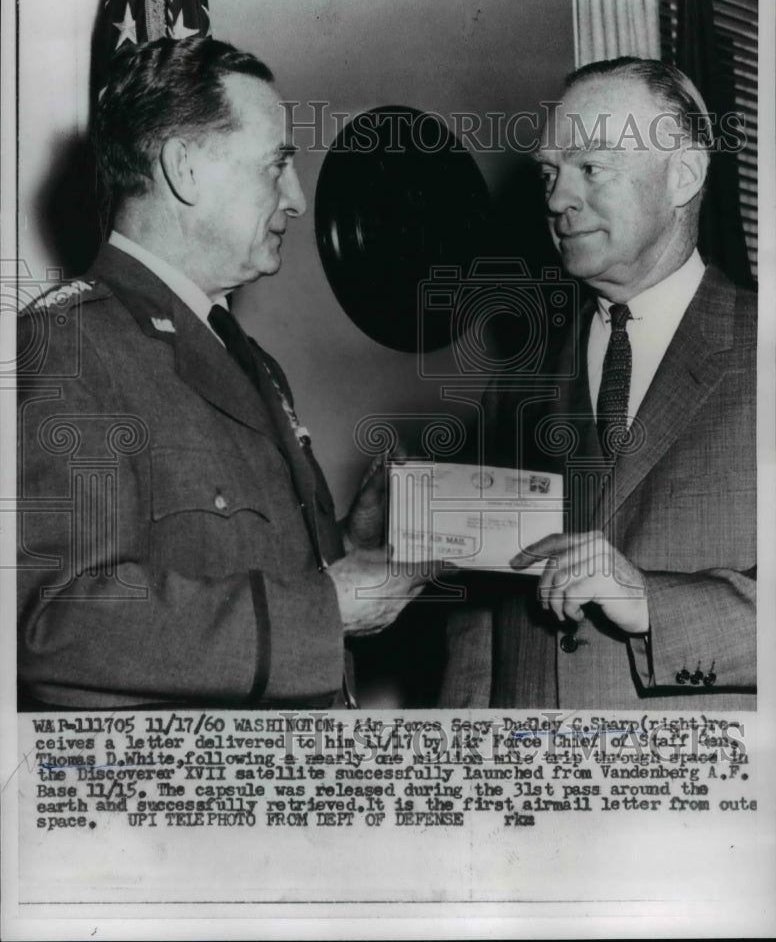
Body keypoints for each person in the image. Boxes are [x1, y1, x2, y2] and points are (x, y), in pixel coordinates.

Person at [17, 36, 428, 710]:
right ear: (185, 169)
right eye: (276, 166)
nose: (296, 199)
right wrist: (327, 611)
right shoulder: (69, 346)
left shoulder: (244, 355)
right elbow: (57, 627)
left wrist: (353, 540)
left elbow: (251, 561)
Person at [440, 57, 756, 710]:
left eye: (591, 167)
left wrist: (651, 602)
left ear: (684, 175)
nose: (556, 199)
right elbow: (480, 631)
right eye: (550, 173)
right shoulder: (515, 386)